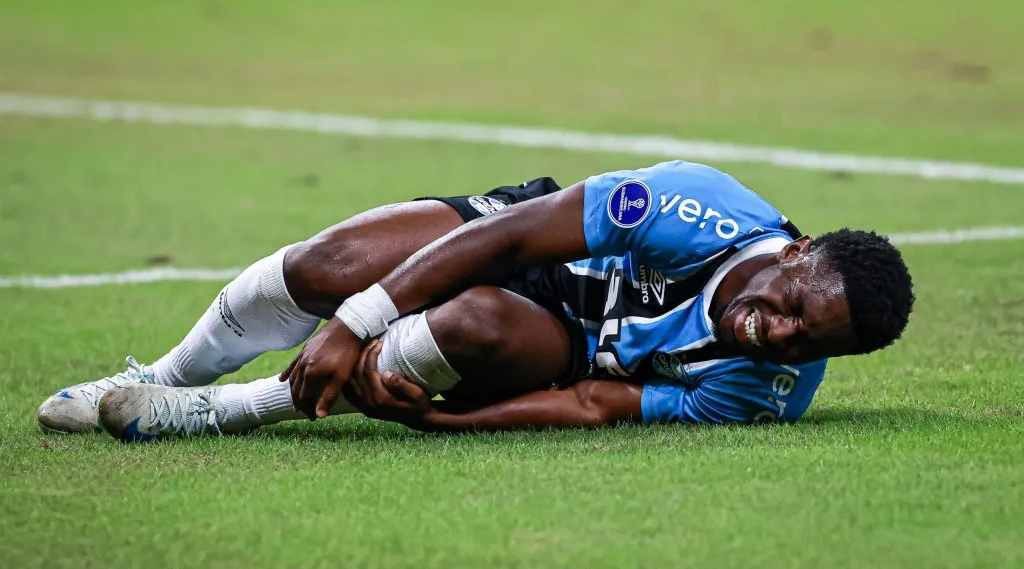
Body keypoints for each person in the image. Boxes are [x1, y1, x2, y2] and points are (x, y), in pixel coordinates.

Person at [37, 161, 914, 441]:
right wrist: (353, 320)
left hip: (556, 340)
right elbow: (514, 238)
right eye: (791, 307)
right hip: (535, 247)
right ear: (795, 252)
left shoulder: (767, 392)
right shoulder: (700, 205)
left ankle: (223, 411)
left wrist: (442, 423)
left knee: (468, 325)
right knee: (329, 263)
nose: (774, 334)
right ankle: (164, 375)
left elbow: (593, 402)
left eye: (806, 344)